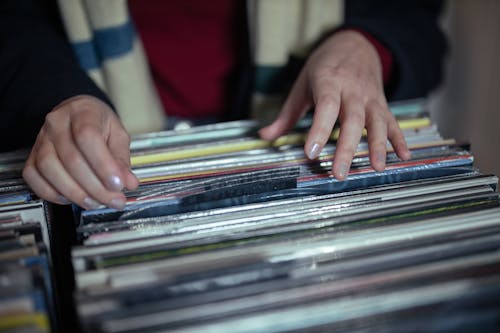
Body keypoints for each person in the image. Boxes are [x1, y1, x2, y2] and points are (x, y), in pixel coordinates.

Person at [0, 0, 446, 210]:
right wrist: (61, 96)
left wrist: (363, 44)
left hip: (297, 124)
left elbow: (417, 21)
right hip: (114, 133)